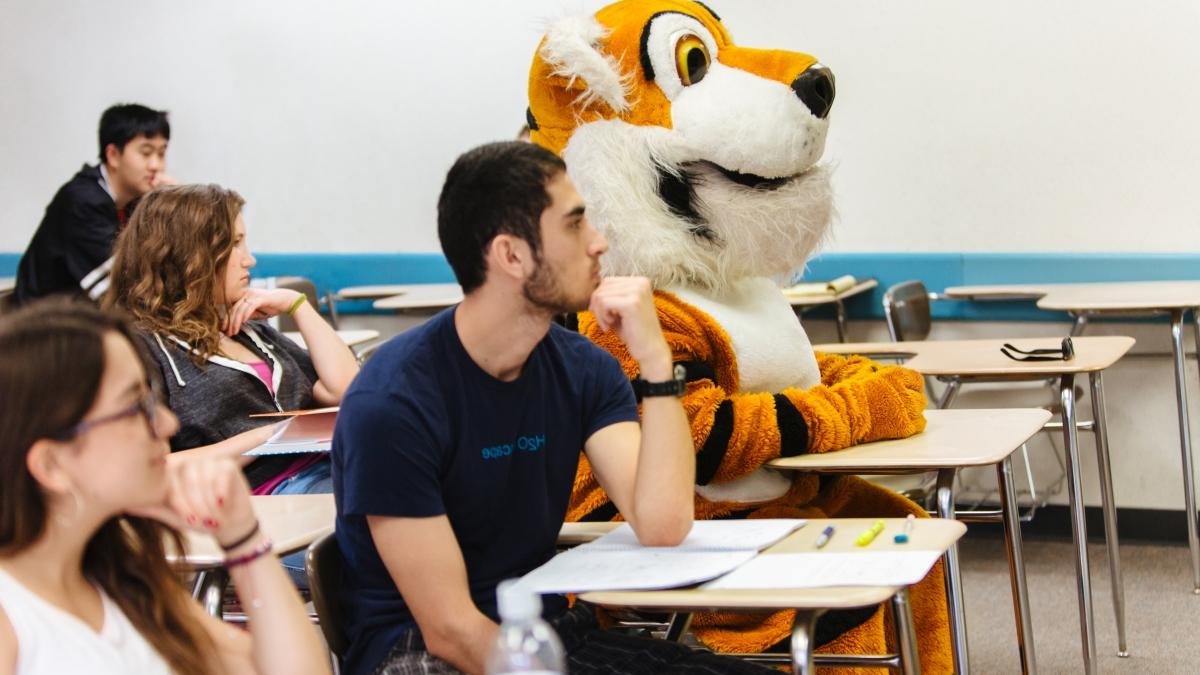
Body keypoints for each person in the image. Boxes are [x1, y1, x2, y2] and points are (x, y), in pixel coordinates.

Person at [331, 141, 776, 675]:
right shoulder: (393, 402)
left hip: (544, 632)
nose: (599, 242)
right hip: (422, 653)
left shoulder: (584, 369)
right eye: (574, 224)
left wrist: (657, 363)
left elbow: (662, 524)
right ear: (512, 255)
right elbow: (450, 630)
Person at [0, 298, 330, 675]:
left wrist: (244, 541)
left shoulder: (120, 578)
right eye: (133, 408)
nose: (168, 426)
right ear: (51, 465)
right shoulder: (12, 617)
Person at [104, 183, 359, 582]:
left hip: (328, 477)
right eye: (236, 244)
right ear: (190, 256)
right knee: (408, 535)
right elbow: (147, 469)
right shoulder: (139, 346)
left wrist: (299, 307)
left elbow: (348, 391)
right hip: (262, 507)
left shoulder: (244, 327)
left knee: (454, 506)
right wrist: (269, 437)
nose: (250, 259)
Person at [14, 104, 175, 305]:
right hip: (45, 324)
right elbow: (123, 289)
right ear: (113, 155)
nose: (156, 165)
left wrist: (171, 205)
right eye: (146, 153)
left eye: (161, 153)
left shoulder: (137, 201)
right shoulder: (82, 201)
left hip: (82, 315)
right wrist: (172, 211)